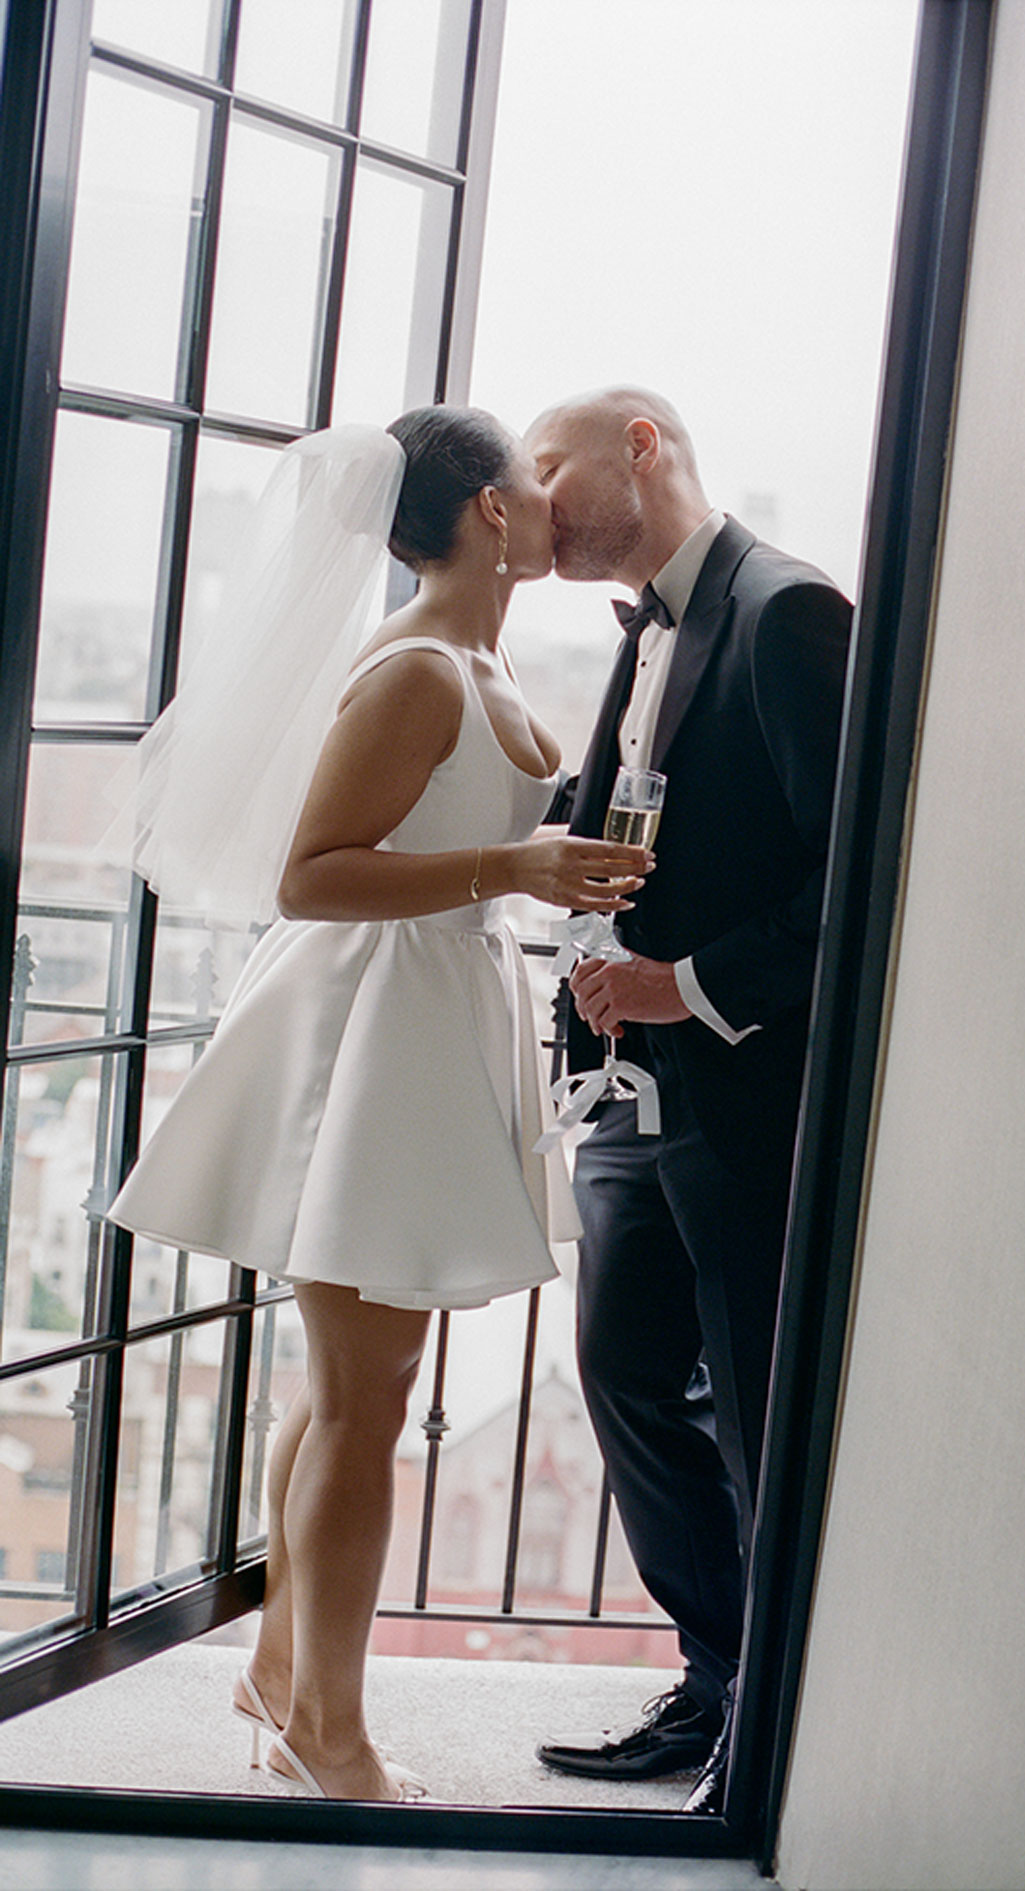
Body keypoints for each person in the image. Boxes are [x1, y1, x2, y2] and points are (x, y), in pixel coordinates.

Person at [107, 408, 652, 1803]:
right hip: (372, 1031)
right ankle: (326, 1734)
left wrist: (531, 876)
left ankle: (284, 1675)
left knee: (348, 1387)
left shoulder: (480, 654)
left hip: (425, 1014)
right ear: (485, 511)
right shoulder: (417, 669)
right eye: (530, 484)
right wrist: (516, 869)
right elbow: (314, 874)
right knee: (369, 1397)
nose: (548, 503)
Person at [525, 388, 852, 1813]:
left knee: (750, 1412)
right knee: (625, 1380)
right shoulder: (645, 629)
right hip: (624, 1093)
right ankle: (712, 1678)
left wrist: (690, 985)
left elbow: (849, 879)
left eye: (551, 465)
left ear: (639, 445)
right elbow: (627, 821)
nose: (533, 499)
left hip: (740, 1093)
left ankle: (767, 1732)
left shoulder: (790, 612)